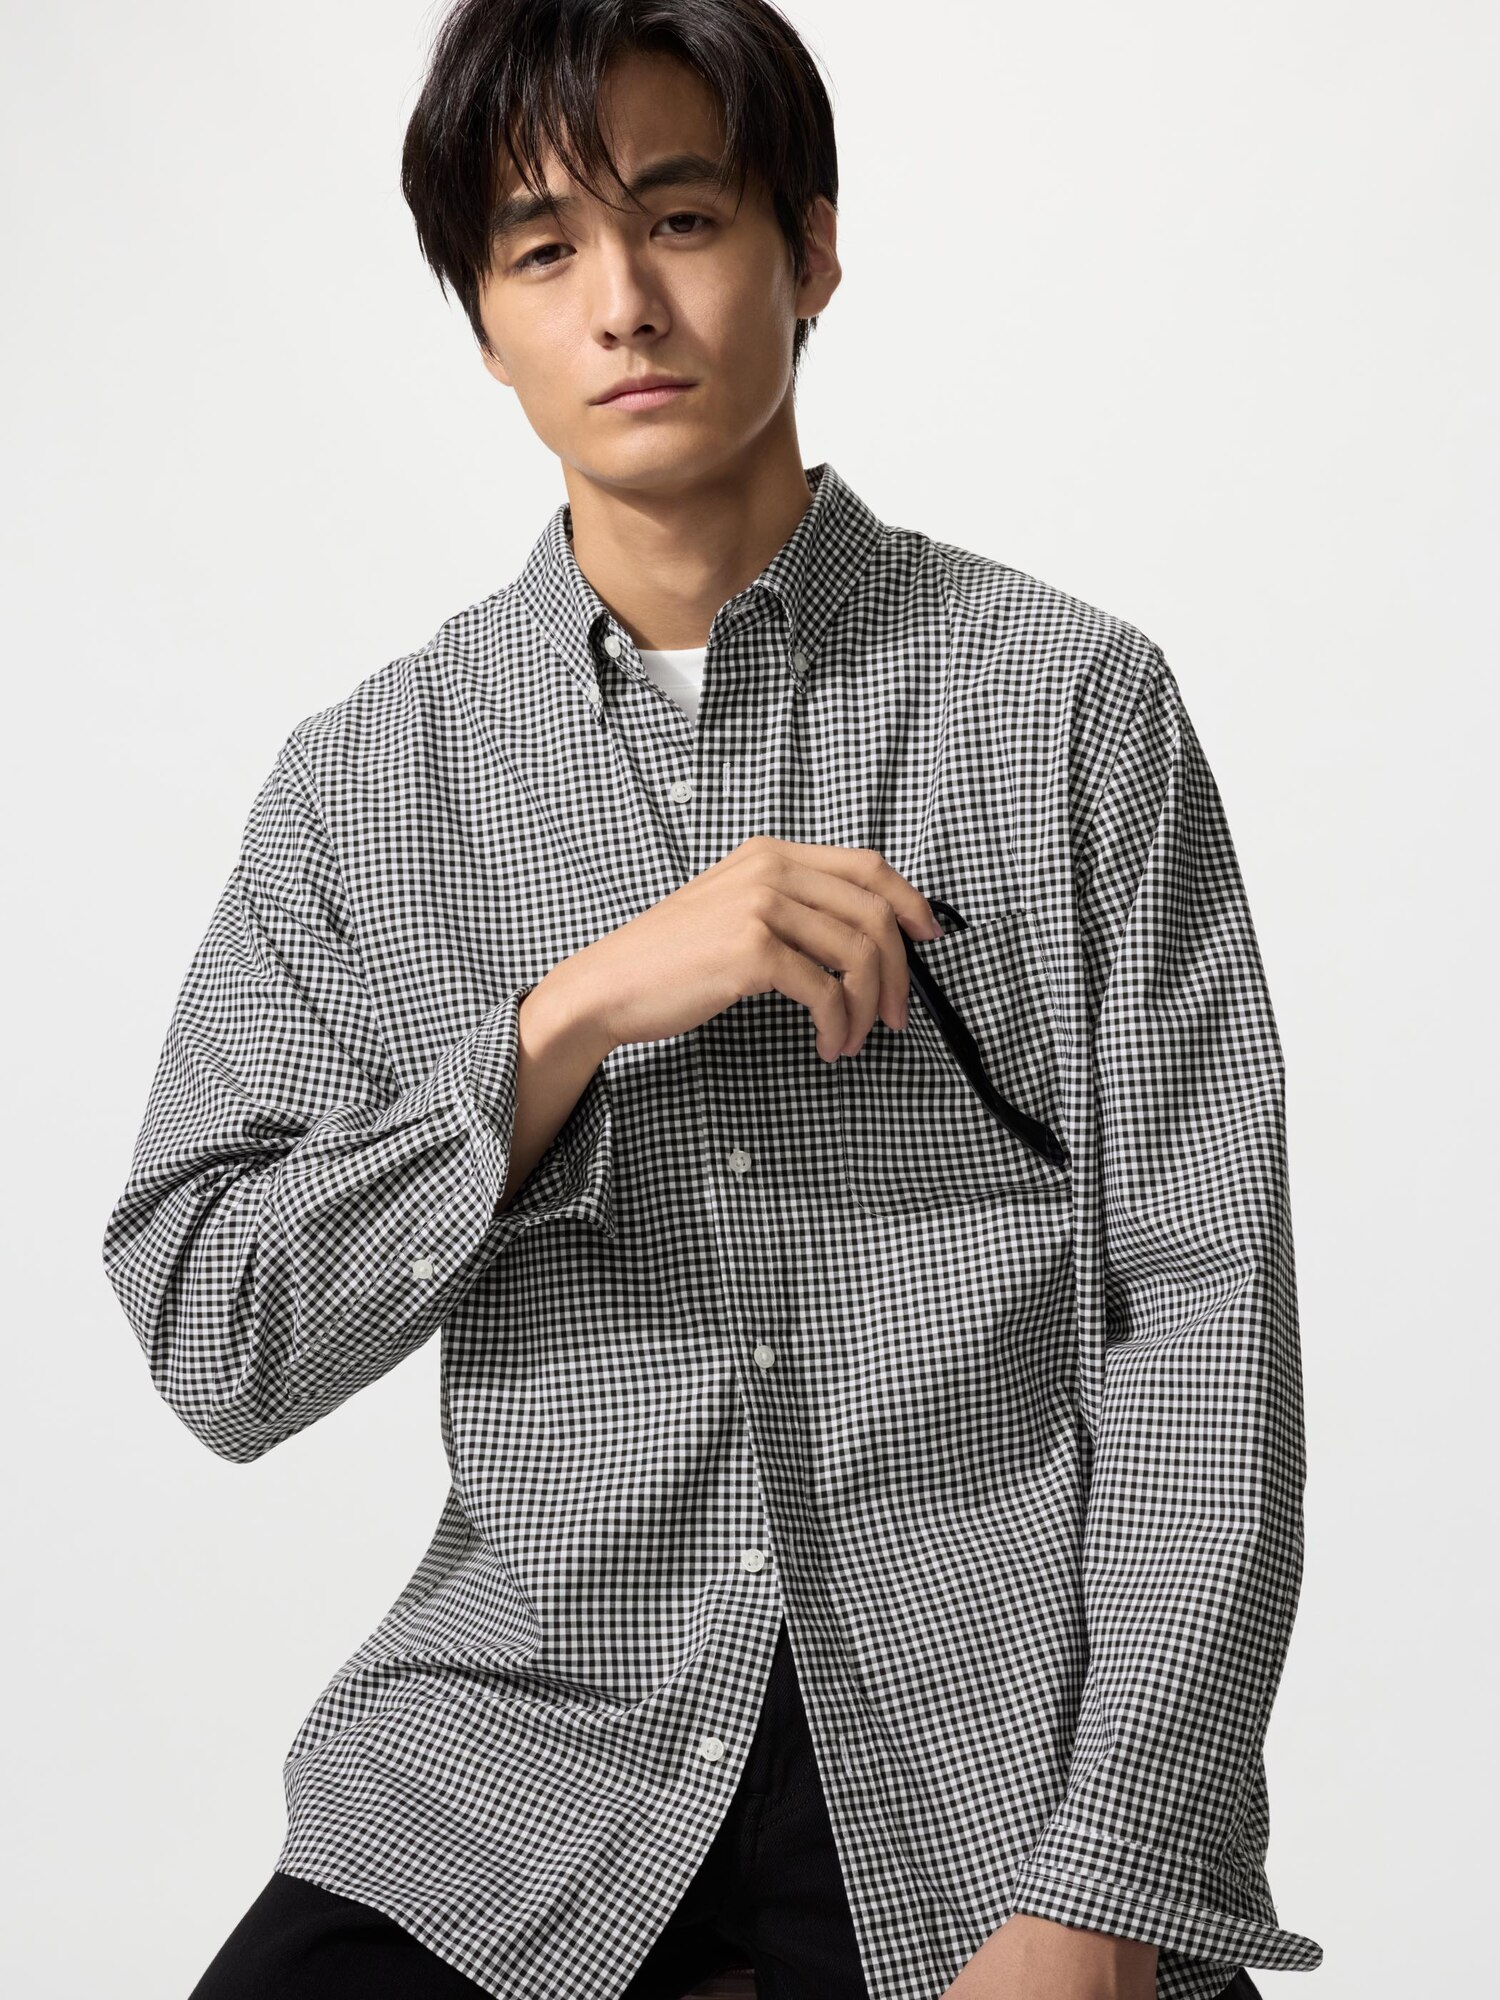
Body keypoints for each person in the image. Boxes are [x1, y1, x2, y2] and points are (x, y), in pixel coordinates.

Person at [101, 3, 1322, 1998]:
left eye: (680, 219)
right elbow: (212, 1330)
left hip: (983, 1772)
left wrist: (1105, 1884)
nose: (623, 306)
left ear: (808, 251)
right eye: (543, 250)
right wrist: (564, 1024)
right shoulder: (369, 786)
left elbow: (1200, 1327)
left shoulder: (1067, 709)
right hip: (520, 1770)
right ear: (484, 321)